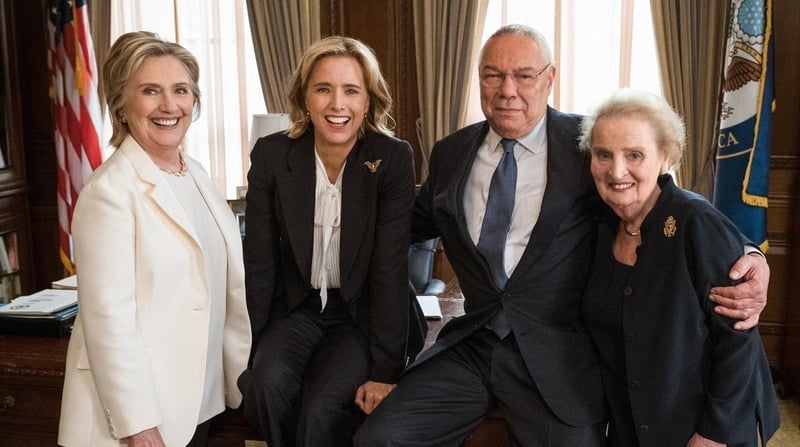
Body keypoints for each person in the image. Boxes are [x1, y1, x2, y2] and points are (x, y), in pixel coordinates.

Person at [354, 24, 770, 446]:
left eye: (524, 75)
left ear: (550, 78)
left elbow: (662, 203)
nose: (507, 89)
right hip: (473, 345)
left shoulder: (588, 146)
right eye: (493, 74)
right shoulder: (450, 152)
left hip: (558, 359)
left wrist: (751, 255)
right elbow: (405, 223)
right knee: (379, 439)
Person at [57, 31, 251, 447]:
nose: (169, 106)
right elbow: (109, 321)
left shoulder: (195, 173)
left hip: (197, 403)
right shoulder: (109, 192)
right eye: (150, 91)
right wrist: (137, 425)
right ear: (122, 105)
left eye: (180, 90)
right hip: (142, 421)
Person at [239, 36, 423, 447]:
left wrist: (385, 371)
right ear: (305, 98)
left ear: (368, 100)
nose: (337, 104)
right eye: (323, 89)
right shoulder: (272, 155)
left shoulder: (391, 158)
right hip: (298, 309)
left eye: (351, 91)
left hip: (364, 315)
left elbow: (390, 269)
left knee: (322, 408)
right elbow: (261, 261)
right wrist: (250, 347)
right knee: (265, 387)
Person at [579, 88, 779, 446]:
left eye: (634, 154)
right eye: (603, 154)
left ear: (664, 157)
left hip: (703, 429)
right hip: (630, 427)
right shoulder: (595, 225)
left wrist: (713, 434)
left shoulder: (695, 222)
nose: (617, 170)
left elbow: (737, 339)